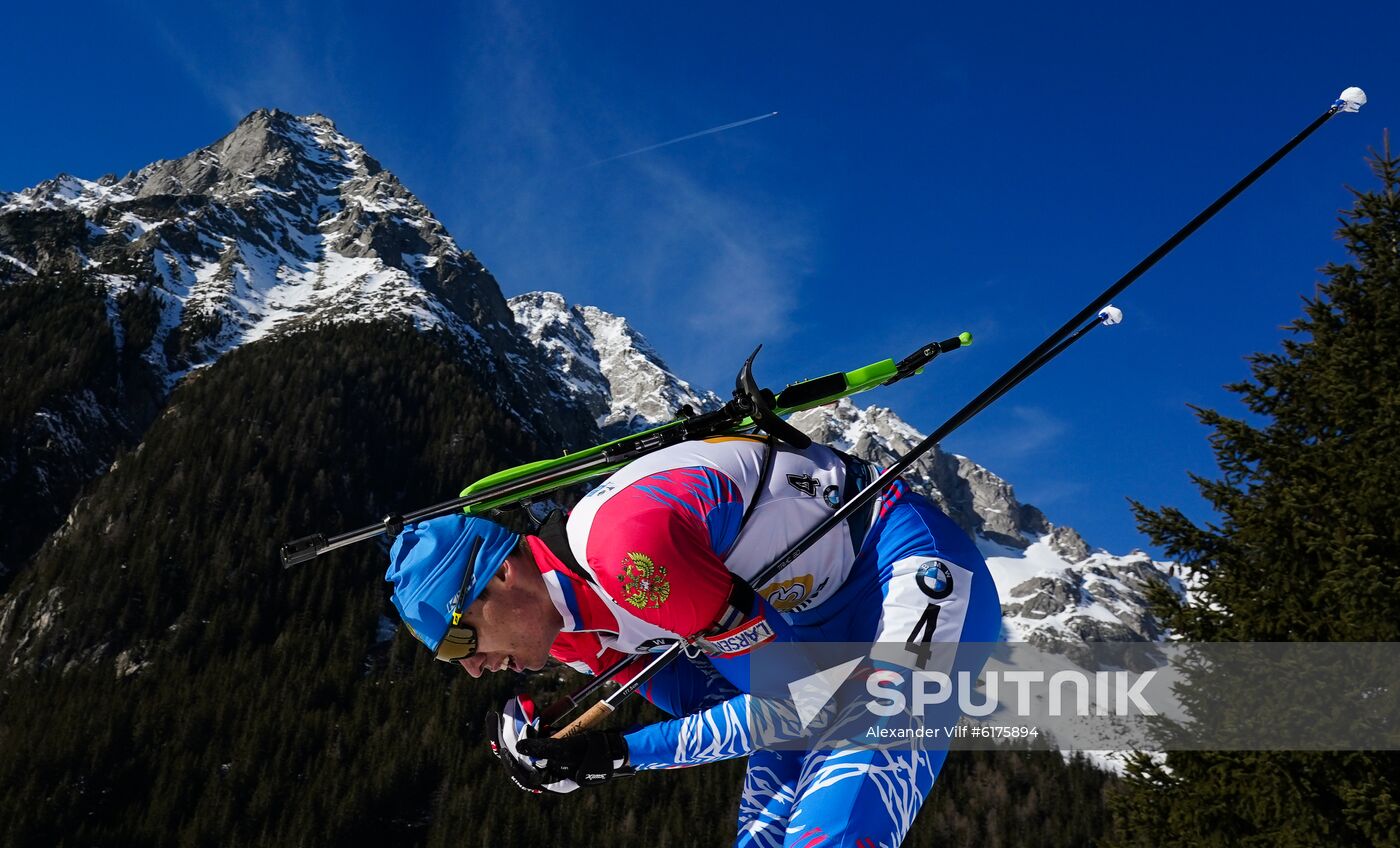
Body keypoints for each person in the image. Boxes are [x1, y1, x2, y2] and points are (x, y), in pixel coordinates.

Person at [385, 434, 1002, 848]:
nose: (470, 668)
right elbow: (719, 702)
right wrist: (563, 748)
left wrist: (617, 755)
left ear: (502, 574)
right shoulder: (574, 634)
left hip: (905, 567)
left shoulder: (628, 555)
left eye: (459, 640)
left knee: (835, 826)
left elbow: (798, 700)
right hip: (809, 638)